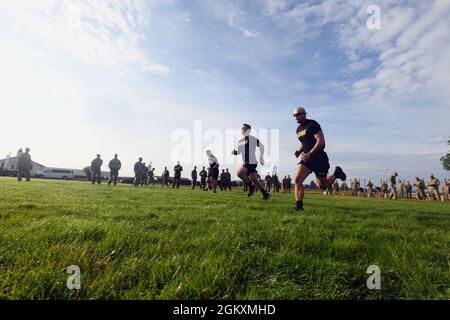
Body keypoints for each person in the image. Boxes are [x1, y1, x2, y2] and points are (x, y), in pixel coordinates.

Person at [292, 107, 346, 211]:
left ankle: (336, 174)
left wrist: (310, 154)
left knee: (323, 186)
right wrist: (299, 151)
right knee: (297, 179)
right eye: (294, 115)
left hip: (319, 158)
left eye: (298, 114)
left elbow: (320, 141)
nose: (296, 117)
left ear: (305, 114)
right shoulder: (298, 129)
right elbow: (305, 143)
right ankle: (299, 207)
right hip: (307, 158)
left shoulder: (312, 124)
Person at [232, 123, 270, 200]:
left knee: (240, 173)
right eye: (242, 129)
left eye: (245, 129)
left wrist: (261, 156)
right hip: (245, 161)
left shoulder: (252, 139)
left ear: (249, 130)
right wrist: (234, 152)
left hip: (252, 161)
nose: (243, 130)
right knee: (254, 179)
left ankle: (251, 187)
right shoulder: (240, 141)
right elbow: (239, 152)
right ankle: (265, 194)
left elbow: (262, 146)